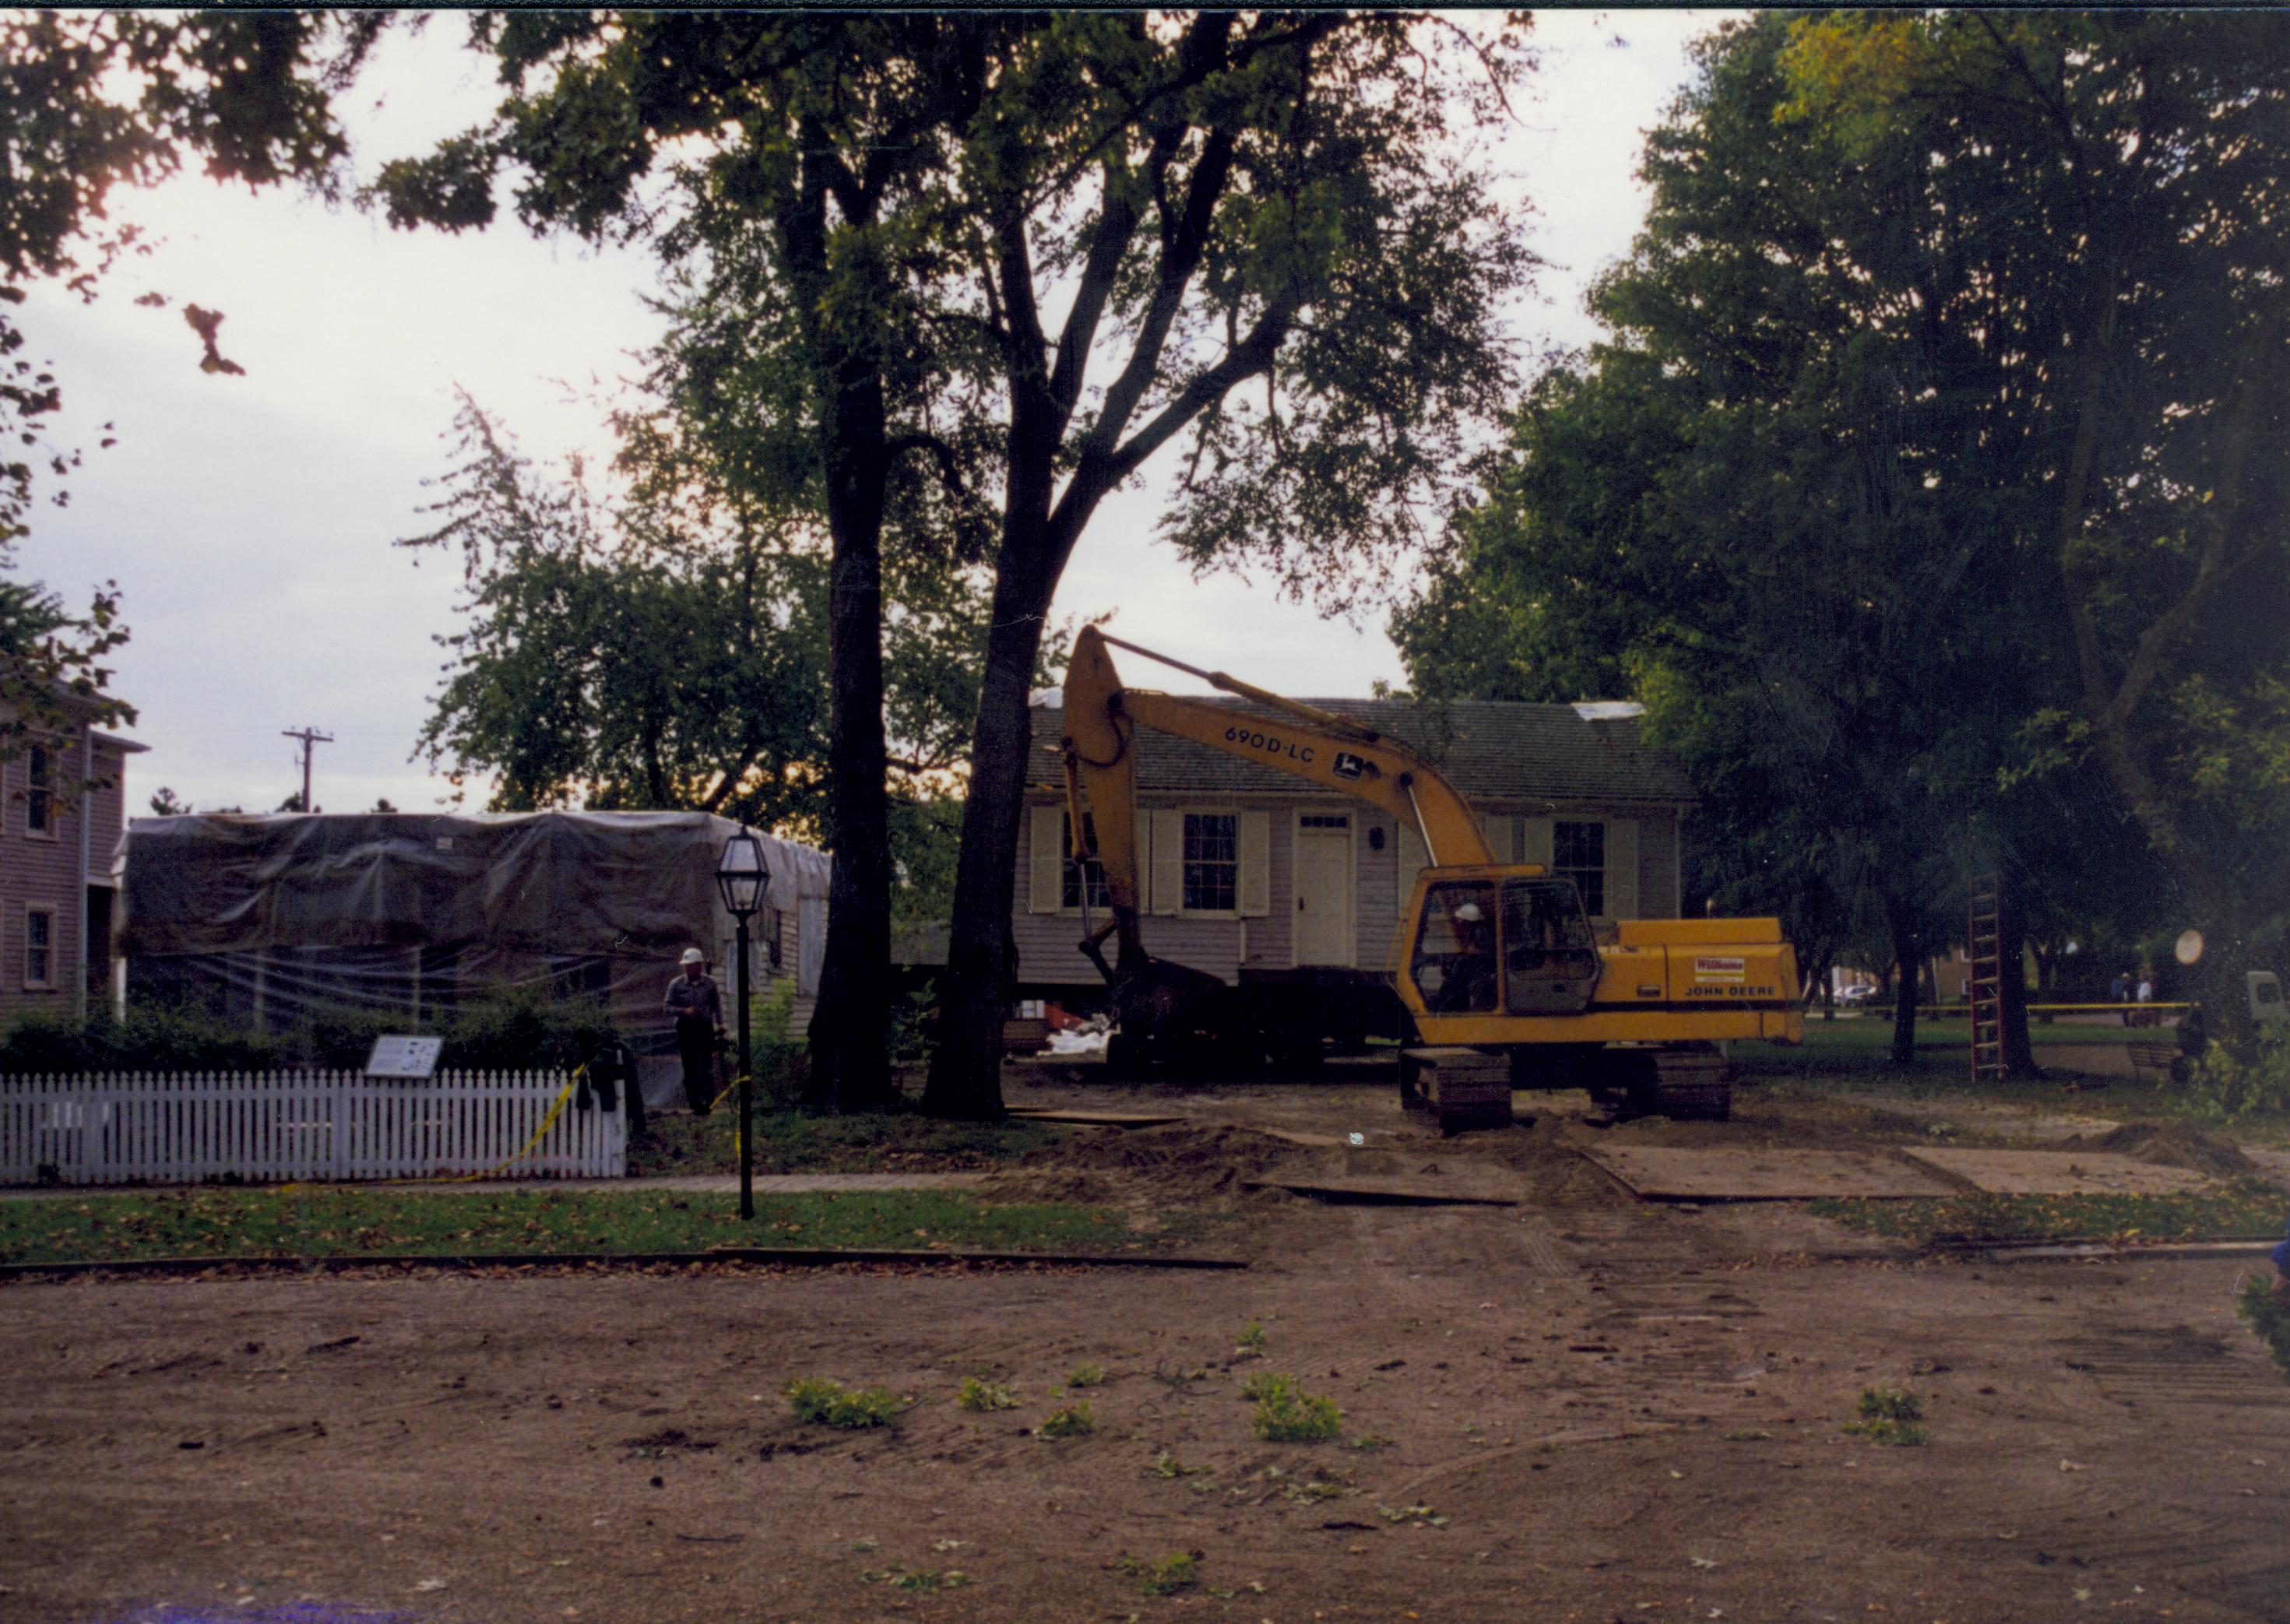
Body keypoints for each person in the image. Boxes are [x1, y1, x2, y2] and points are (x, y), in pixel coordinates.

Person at [663, 947, 723, 1114]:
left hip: (704, 1028)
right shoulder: (676, 984)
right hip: (686, 1029)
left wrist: (721, 1024)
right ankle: (694, 1104)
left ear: (699, 966)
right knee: (689, 1066)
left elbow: (716, 1005)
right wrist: (684, 1011)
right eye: (687, 966)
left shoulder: (710, 983)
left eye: (692, 966)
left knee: (706, 1066)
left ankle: (707, 1102)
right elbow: (667, 1007)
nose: (689, 969)